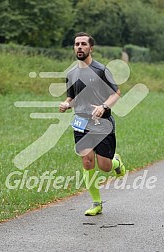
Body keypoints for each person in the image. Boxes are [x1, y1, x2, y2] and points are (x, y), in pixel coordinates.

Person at [59, 32, 126, 216]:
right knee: (87, 162)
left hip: (102, 123)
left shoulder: (101, 70)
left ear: (91, 48)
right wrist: (66, 104)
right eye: (76, 44)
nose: (79, 47)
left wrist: (104, 106)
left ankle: (116, 162)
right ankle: (96, 203)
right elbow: (72, 97)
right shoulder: (71, 73)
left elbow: (116, 93)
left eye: (83, 44)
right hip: (81, 122)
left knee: (104, 166)